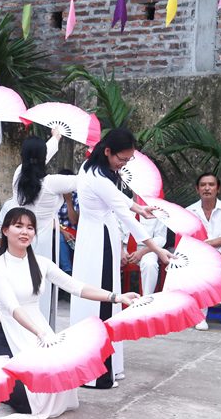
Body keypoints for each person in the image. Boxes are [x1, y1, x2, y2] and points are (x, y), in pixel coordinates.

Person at [0, 208, 139, 419]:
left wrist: (116, 297)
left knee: (57, 392)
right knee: (29, 401)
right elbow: (13, 308)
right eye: (18, 226)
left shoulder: (41, 263)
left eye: (30, 228)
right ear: (5, 230)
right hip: (8, 337)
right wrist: (40, 333)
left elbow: (76, 287)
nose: (25, 232)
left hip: (39, 332)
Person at [69, 128, 171, 389]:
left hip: (98, 237)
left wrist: (140, 208)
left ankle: (109, 366)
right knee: (103, 299)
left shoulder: (98, 169)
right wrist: (157, 250)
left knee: (105, 297)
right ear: (107, 151)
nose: (123, 164)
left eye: (128, 160)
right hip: (99, 240)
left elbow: (121, 197)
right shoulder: (97, 176)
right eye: (121, 159)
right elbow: (125, 216)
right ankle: (97, 374)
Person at [11, 130, 73, 326]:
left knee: (20, 285)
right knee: (42, 285)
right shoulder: (53, 182)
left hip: (20, 238)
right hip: (44, 240)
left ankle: (20, 327)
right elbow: (86, 181)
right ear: (44, 157)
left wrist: (56, 138)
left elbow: (40, 155)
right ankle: (42, 327)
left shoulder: (18, 176)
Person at [186, 173, 221, 330]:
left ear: (218, 188)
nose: (207, 188)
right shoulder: (189, 211)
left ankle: (200, 316)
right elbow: (186, 238)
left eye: (211, 184)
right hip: (195, 253)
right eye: (203, 185)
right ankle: (212, 295)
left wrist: (203, 245)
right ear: (197, 189)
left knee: (208, 266)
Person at [120, 211, 167, 296]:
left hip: (148, 248)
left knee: (150, 264)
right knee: (109, 260)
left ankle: (146, 297)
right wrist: (120, 251)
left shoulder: (158, 211)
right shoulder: (123, 206)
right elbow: (116, 231)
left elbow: (161, 238)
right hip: (123, 247)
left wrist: (142, 252)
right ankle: (112, 297)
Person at [57, 168, 79, 276]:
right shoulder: (54, 196)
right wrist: (62, 231)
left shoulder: (76, 196)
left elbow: (74, 220)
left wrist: (69, 201)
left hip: (73, 231)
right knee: (60, 238)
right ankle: (67, 271)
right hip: (56, 229)